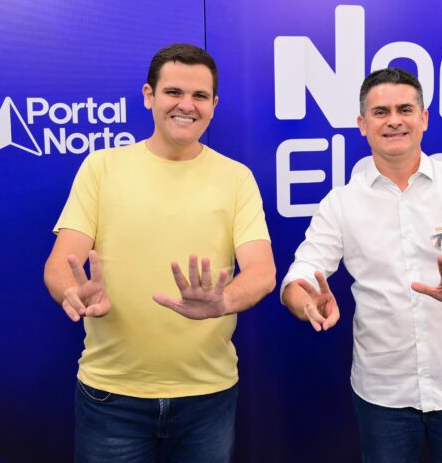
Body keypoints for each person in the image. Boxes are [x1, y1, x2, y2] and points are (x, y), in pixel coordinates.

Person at [280, 68, 442, 462]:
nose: (394, 121)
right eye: (381, 112)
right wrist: (305, 302)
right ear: (362, 124)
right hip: (382, 394)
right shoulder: (341, 204)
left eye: (405, 109)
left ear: (424, 118)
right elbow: (299, 276)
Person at [44, 43, 275, 463]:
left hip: (208, 396)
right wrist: (71, 293)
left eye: (200, 96)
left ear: (214, 105)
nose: (186, 105)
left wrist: (224, 301)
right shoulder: (102, 167)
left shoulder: (237, 178)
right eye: (173, 92)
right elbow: (61, 264)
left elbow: (261, 271)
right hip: (111, 395)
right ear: (149, 95)